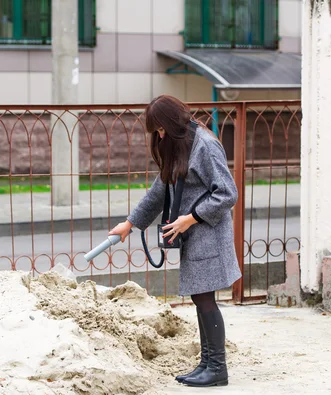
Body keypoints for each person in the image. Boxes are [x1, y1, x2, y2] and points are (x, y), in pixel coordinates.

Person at [108, 95, 242, 387]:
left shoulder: (205, 146)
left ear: (170, 123)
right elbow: (160, 190)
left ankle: (217, 368)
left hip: (208, 231)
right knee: (199, 296)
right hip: (193, 231)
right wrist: (129, 224)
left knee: (204, 297)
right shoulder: (182, 144)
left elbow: (227, 193)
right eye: (156, 131)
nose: (159, 135)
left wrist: (190, 218)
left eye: (160, 129)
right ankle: (208, 363)